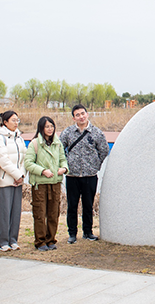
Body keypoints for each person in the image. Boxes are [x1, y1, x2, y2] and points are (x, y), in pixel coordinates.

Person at [59, 105, 109, 243]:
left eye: (83, 113)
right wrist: (66, 164)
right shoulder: (68, 132)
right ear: (73, 118)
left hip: (90, 175)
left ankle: (88, 232)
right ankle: (72, 233)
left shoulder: (96, 133)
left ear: (87, 114)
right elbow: (59, 148)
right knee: (72, 206)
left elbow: (104, 150)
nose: (81, 116)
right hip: (72, 176)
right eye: (77, 115)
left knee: (88, 205)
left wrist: (95, 166)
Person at [24, 116, 68, 251]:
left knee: (54, 213)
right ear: (41, 128)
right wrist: (42, 171)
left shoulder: (57, 143)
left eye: (52, 126)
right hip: (40, 184)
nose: (50, 129)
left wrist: (64, 168)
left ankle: (51, 239)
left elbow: (63, 159)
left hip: (55, 182)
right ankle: (40, 241)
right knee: (40, 213)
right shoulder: (35, 144)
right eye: (47, 127)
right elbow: (28, 163)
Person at [0, 110, 25, 251]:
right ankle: (2, 241)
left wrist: (21, 175)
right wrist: (17, 174)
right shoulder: (0, 139)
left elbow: (24, 158)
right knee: (3, 212)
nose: (16, 123)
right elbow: (3, 161)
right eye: (13, 120)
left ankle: (13, 239)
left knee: (15, 211)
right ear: (5, 122)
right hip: (4, 181)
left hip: (18, 181)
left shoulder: (19, 138)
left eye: (17, 120)